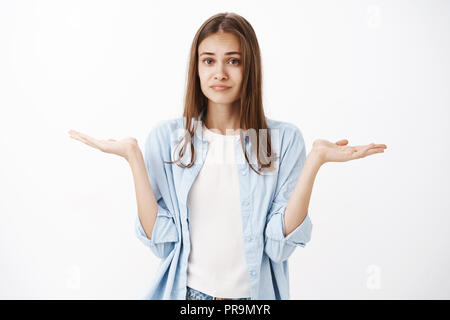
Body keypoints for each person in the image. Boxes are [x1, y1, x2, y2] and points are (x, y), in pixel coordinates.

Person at [68, 12, 387, 300]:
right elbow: (163, 243)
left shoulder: (281, 140)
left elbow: (279, 246)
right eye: (208, 61)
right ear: (196, 68)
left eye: (233, 61)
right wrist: (133, 158)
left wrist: (315, 161)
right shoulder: (167, 139)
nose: (219, 72)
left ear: (250, 68)